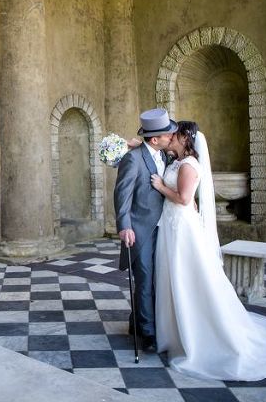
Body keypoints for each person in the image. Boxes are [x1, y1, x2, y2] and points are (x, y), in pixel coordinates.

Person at [149, 121, 266, 380]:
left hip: (182, 228)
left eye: (175, 134)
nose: (170, 138)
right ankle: (174, 332)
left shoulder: (189, 165)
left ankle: (198, 335)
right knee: (174, 276)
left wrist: (160, 187)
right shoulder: (177, 161)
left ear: (185, 139)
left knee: (187, 277)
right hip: (172, 225)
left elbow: (184, 199)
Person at [114, 108, 177, 350]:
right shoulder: (133, 159)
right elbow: (122, 194)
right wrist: (124, 226)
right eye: (166, 134)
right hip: (141, 230)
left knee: (159, 279)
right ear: (154, 139)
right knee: (145, 279)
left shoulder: (166, 156)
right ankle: (148, 334)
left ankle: (137, 321)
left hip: (166, 227)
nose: (171, 136)